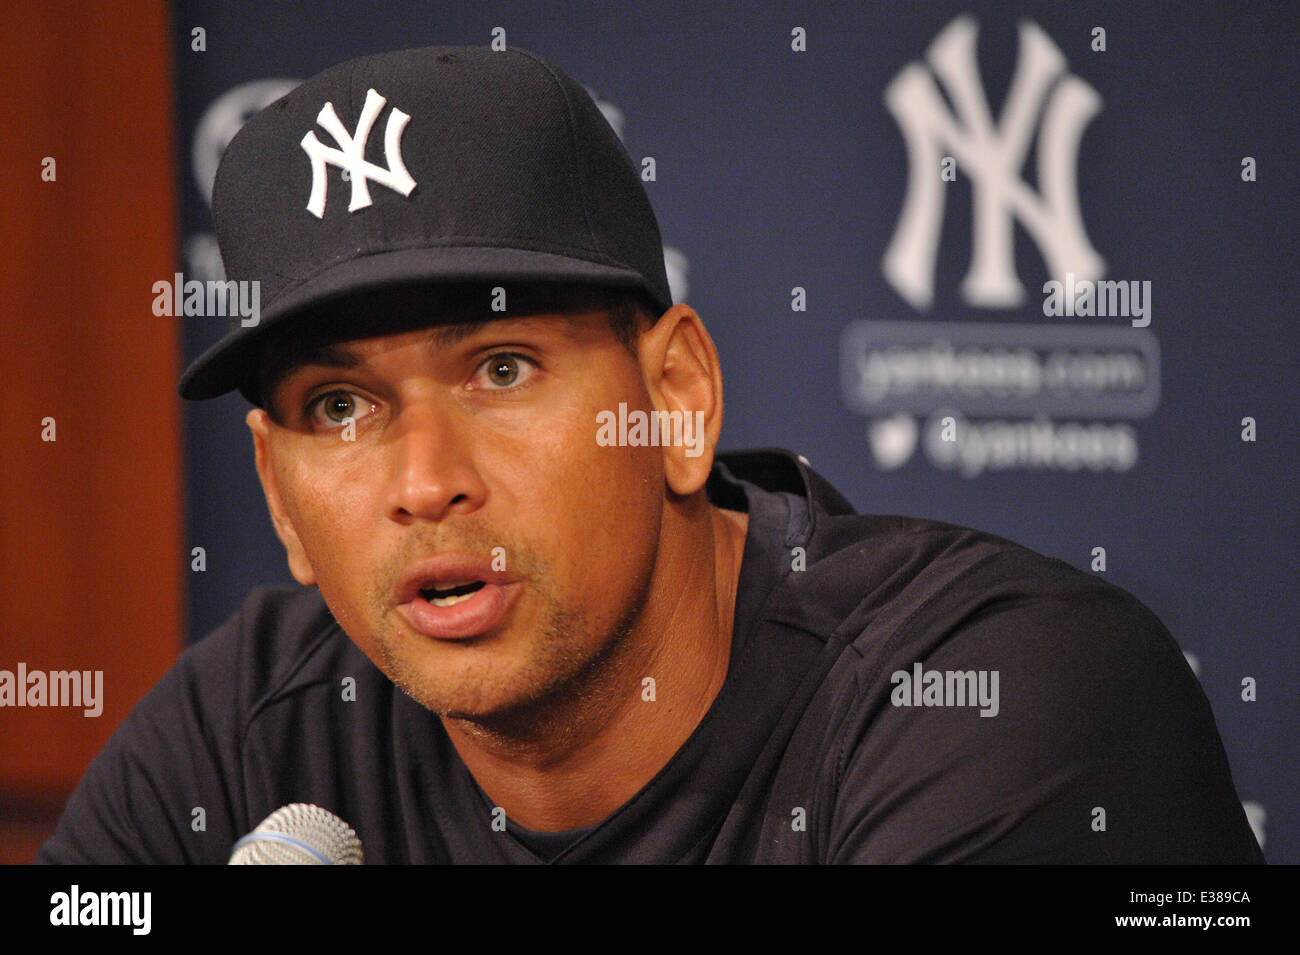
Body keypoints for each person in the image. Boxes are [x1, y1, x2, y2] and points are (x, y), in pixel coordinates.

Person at [37, 44, 1262, 864]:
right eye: (343, 407)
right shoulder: (248, 737)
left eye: (501, 368)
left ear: (675, 398)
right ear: (279, 500)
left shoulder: (998, 703)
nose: (423, 481)